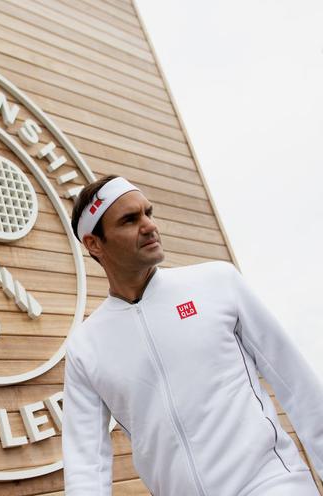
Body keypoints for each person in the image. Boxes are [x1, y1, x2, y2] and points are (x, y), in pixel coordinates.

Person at [62, 175, 323, 495]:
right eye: (130, 220)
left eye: (148, 213)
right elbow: (86, 462)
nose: (149, 226)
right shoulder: (86, 346)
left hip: (272, 484)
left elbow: (296, 384)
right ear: (94, 243)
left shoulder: (217, 283)